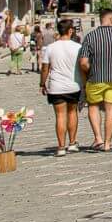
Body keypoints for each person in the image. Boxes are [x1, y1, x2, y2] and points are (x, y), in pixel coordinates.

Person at [78, 10, 112, 152]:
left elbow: (83, 62)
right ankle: (108, 144)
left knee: (94, 106)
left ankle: (98, 139)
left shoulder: (90, 36)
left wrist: (90, 70)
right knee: (111, 109)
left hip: (95, 78)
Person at [39, 20, 84, 156]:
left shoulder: (50, 48)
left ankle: (60, 147)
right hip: (73, 85)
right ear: (70, 31)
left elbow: (45, 68)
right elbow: (82, 66)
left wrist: (42, 83)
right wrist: (85, 82)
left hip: (56, 86)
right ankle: (72, 143)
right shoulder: (78, 47)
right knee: (72, 113)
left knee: (59, 116)